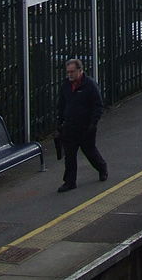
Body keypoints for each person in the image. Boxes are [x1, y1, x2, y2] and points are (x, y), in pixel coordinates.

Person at [55, 58, 108, 192]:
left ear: (80, 70)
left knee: (89, 151)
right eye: (68, 72)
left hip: (85, 126)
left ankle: (102, 168)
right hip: (70, 126)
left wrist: (93, 123)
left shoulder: (90, 85)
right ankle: (69, 182)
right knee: (70, 155)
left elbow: (98, 105)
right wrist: (60, 122)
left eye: (72, 72)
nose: (70, 75)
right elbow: (62, 104)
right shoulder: (66, 85)